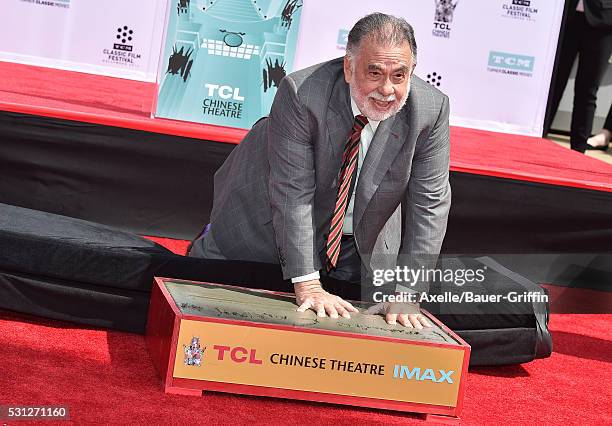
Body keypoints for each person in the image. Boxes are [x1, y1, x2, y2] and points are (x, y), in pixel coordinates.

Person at [189, 13, 451, 329]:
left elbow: (430, 204)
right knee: (205, 301)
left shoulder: (430, 108)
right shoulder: (302, 93)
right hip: (266, 227)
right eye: (374, 72)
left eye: (399, 75)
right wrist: (309, 284)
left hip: (360, 241)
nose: (387, 89)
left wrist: (408, 290)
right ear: (349, 67)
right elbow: (292, 191)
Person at [546, 0, 612, 153]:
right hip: (565, 16)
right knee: (553, 85)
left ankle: (578, 151)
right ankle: (537, 136)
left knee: (587, 90)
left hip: (604, 20)